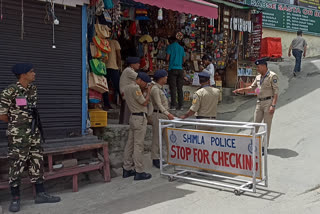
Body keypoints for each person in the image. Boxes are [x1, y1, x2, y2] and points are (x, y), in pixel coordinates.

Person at [0, 63, 61, 213]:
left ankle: (40, 194)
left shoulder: (33, 89)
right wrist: (17, 124)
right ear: (23, 75)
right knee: (16, 165)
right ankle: (15, 199)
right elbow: (2, 115)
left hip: (33, 133)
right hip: (18, 136)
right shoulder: (10, 91)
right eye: (31, 71)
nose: (34, 74)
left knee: (37, 161)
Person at [233, 58, 279, 151]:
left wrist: (273, 105)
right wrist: (241, 90)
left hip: (268, 102)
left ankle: (264, 146)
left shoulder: (272, 76)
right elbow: (252, 87)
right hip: (259, 102)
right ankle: (252, 143)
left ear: (263, 66)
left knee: (266, 125)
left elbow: (276, 92)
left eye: (258, 67)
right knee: (255, 124)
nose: (257, 69)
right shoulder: (258, 77)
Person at [122, 72, 153, 180]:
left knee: (129, 144)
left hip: (133, 117)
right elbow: (144, 103)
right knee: (138, 145)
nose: (145, 85)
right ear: (139, 80)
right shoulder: (135, 88)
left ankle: (126, 168)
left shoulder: (127, 88)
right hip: (139, 118)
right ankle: (139, 171)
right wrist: (148, 92)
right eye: (145, 83)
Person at [150, 70, 175, 168]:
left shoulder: (161, 89)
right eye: (165, 77)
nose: (166, 78)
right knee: (157, 138)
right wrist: (168, 114)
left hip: (164, 115)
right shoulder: (155, 89)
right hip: (158, 114)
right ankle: (155, 158)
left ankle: (167, 156)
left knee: (166, 137)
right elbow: (159, 104)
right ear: (161, 78)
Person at [166, 32, 186, 110]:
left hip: (172, 69)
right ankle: (181, 105)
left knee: (173, 87)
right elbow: (184, 60)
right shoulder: (181, 48)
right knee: (180, 88)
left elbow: (167, 58)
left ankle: (173, 105)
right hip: (180, 69)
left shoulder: (170, 47)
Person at [119, 57, 140, 124]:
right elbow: (140, 77)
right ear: (132, 64)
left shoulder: (128, 70)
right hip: (126, 93)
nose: (139, 65)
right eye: (137, 63)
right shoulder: (128, 70)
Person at [102, 39, 122, 110]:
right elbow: (118, 55)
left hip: (104, 67)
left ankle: (106, 104)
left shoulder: (102, 41)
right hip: (113, 67)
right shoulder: (115, 42)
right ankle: (123, 103)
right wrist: (119, 66)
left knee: (105, 87)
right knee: (118, 86)